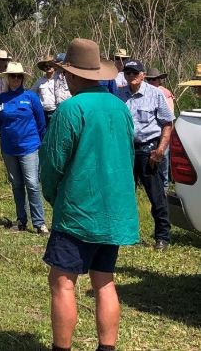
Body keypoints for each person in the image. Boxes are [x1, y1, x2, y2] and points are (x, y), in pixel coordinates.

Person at [41, 38, 138, 351]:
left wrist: (55, 196)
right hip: (113, 211)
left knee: (62, 281)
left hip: (78, 210)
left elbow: (53, 163)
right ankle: (106, 348)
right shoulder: (121, 109)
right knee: (104, 279)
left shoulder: (70, 109)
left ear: (70, 74)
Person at [115, 59, 174, 251]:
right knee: (123, 194)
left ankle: (162, 237)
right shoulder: (119, 95)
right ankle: (126, 234)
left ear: (142, 75)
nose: (131, 76)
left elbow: (167, 123)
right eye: (128, 73)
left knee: (156, 196)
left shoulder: (155, 94)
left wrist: (160, 150)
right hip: (125, 151)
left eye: (135, 73)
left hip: (149, 150)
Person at [0, 62, 48, 234]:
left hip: (29, 146)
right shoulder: (1, 100)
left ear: (23, 78)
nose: (15, 79)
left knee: (32, 183)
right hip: (9, 148)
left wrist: (37, 142)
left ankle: (39, 223)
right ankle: (21, 220)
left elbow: (41, 123)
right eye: (12, 76)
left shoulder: (31, 97)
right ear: (7, 78)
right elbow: (0, 124)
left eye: (19, 76)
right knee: (16, 184)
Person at [145, 67, 175, 191]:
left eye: (154, 79)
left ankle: (165, 188)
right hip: (151, 133)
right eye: (150, 79)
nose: (152, 81)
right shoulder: (146, 92)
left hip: (163, 132)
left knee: (163, 160)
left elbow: (169, 117)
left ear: (159, 80)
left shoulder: (165, 93)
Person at [31, 54, 70, 126]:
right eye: (46, 66)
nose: (48, 67)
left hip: (56, 110)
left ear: (54, 67)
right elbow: (31, 93)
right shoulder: (39, 81)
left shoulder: (59, 79)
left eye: (50, 65)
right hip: (43, 112)